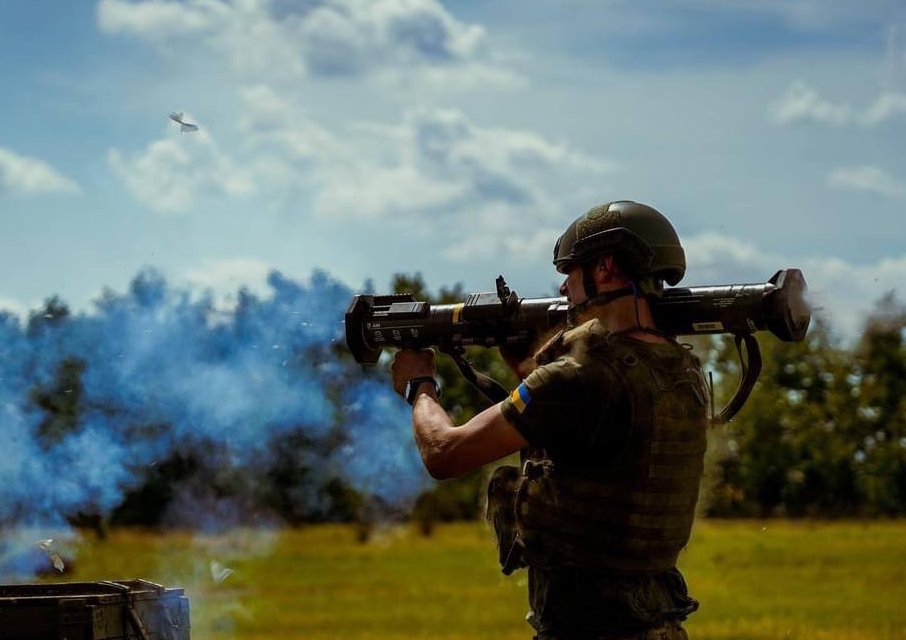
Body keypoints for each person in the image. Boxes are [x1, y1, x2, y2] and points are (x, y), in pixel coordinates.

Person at [390, 200, 710, 640]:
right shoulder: (681, 369)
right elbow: (593, 434)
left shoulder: (577, 377)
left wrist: (419, 385)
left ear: (605, 268)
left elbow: (444, 453)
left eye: (571, 272)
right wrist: (529, 368)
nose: (563, 288)